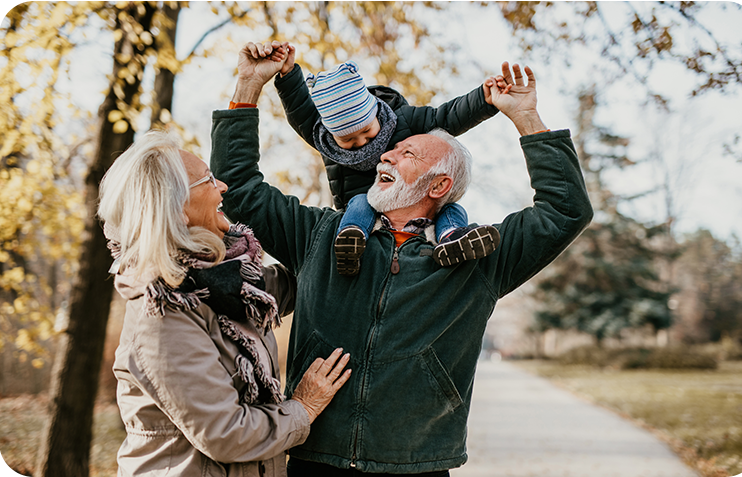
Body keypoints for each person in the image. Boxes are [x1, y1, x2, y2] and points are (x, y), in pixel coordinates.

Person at [211, 41, 594, 476]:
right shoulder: (320, 235)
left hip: (418, 464)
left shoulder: (478, 257)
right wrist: (248, 85)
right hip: (315, 456)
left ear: (438, 186)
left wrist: (526, 118)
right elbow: (239, 189)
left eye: (407, 153)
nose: (384, 154)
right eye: (392, 150)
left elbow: (566, 211)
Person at [97, 130, 352, 477]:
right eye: (207, 180)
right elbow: (227, 433)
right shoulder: (163, 311)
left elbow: (296, 279)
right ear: (177, 209)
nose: (222, 188)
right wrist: (303, 408)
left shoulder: (220, 284)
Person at [273, 48, 503, 275]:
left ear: (374, 111)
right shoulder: (327, 143)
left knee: (450, 208)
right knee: (359, 202)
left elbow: (446, 117)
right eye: (348, 139)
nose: (361, 141)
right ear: (331, 135)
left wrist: (484, 100)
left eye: (366, 131)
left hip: (410, 211)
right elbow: (300, 111)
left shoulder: (402, 119)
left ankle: (452, 238)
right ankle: (350, 240)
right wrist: (288, 75)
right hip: (363, 215)